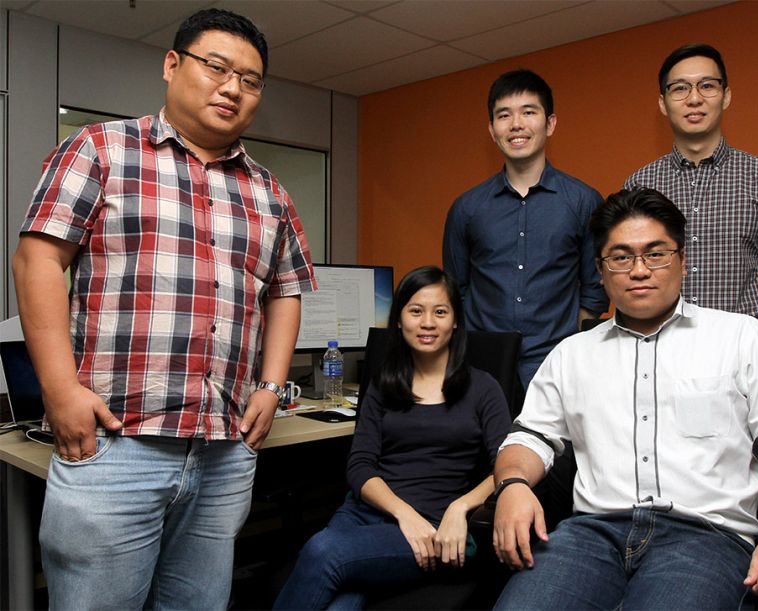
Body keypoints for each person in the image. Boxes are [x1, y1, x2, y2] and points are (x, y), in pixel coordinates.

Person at [12, 9, 315, 610]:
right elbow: (37, 263)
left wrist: (272, 386)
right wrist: (60, 390)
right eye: (217, 67)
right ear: (172, 66)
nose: (232, 87)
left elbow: (285, 290)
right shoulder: (101, 150)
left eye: (250, 80)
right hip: (115, 443)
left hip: (225, 450)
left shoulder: (270, 192)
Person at [491, 188, 758, 609]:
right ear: (601, 269)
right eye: (621, 257)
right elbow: (527, 439)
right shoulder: (571, 354)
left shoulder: (744, 338)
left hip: (706, 538)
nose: (639, 270)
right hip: (591, 535)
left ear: (683, 261)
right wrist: (512, 485)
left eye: (656, 254)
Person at [272, 266, 511, 610]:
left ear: (455, 321)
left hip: (432, 526)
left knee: (324, 552)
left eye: (440, 312)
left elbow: (505, 466)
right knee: (341, 602)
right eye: (416, 311)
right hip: (366, 514)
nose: (427, 322)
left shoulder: (483, 388)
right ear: (399, 320)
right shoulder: (384, 384)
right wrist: (403, 514)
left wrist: (459, 508)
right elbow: (360, 465)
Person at [625, 43, 758, 356]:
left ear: (726, 95)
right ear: (663, 103)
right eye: (680, 88)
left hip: (740, 354)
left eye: (707, 85)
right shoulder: (639, 185)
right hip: (658, 354)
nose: (694, 98)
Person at [443, 69, 608, 394]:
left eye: (528, 112)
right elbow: (455, 289)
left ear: (550, 123)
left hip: (558, 364)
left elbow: (595, 287)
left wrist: (569, 339)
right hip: (481, 365)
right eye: (504, 115)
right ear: (492, 130)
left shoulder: (584, 201)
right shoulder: (467, 208)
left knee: (556, 447)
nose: (516, 124)